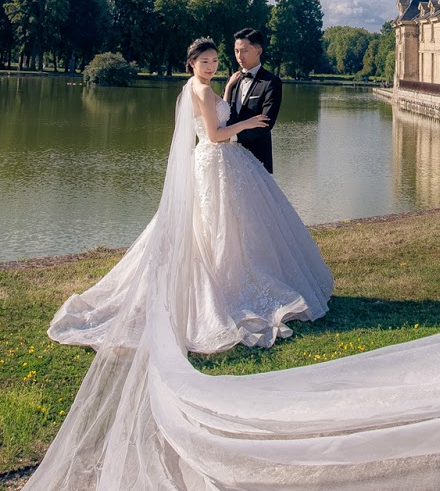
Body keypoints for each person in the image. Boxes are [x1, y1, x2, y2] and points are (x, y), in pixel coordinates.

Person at [47, 37, 333, 354]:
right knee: (217, 226)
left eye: (214, 61)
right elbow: (214, 135)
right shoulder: (201, 89)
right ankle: (226, 282)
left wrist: (233, 105)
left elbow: (214, 120)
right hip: (216, 159)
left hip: (214, 161)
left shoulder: (195, 86)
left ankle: (228, 272)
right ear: (192, 63)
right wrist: (249, 122)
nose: (212, 67)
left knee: (218, 225)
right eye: (205, 62)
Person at [225, 27, 281, 173]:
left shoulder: (271, 82)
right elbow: (222, 113)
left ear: (258, 51)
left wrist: (232, 137)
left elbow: (265, 124)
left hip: (257, 158)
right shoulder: (232, 80)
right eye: (236, 51)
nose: (239, 56)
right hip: (229, 157)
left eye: (244, 50)